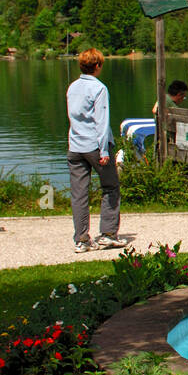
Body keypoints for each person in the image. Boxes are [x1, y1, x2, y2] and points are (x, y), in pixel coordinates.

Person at [67, 49, 122, 253]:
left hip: (75, 146)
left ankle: (82, 239)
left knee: (79, 194)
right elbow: (101, 120)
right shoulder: (99, 88)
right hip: (94, 146)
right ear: (97, 66)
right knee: (110, 187)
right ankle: (108, 234)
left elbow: (72, 117)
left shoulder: (72, 87)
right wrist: (104, 151)